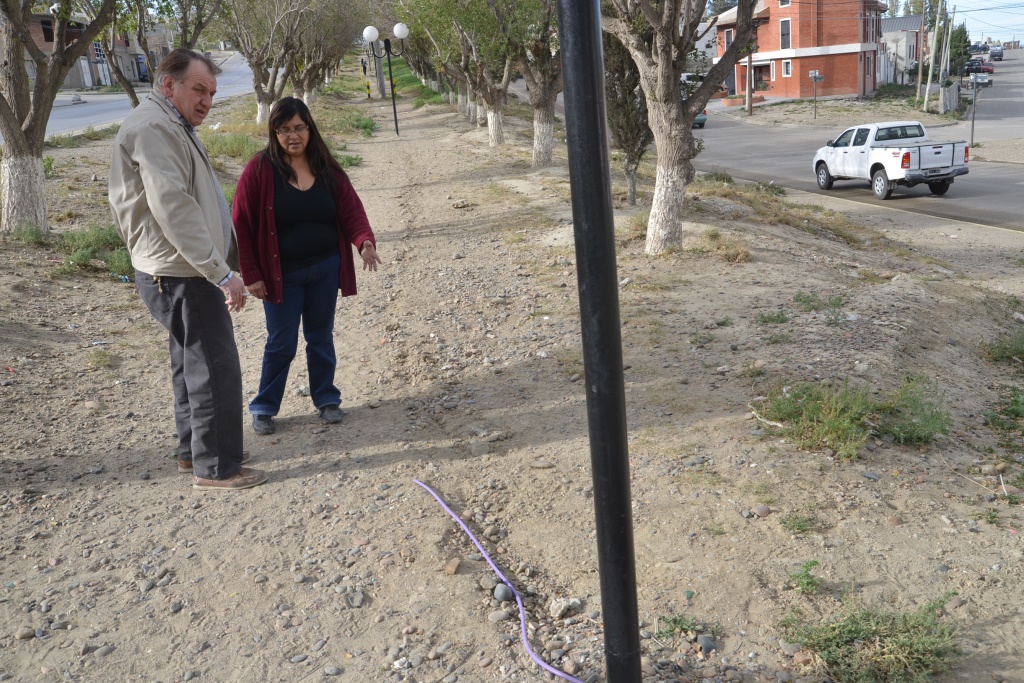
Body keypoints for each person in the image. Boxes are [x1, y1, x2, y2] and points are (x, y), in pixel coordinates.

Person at [109, 48, 267, 491]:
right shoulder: (155, 126)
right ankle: (215, 466)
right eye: (199, 89)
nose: (207, 101)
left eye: (212, 93)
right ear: (168, 85)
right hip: (181, 271)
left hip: (177, 267)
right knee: (213, 365)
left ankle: (193, 450)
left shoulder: (167, 121)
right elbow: (173, 207)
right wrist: (221, 273)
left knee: (189, 361)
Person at [232, 97, 380, 435]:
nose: (292, 136)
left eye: (298, 128)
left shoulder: (326, 167)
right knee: (281, 342)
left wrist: (364, 241)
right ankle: (265, 407)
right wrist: (251, 274)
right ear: (274, 133)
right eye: (283, 130)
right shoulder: (259, 170)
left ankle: (327, 400)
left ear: (310, 128)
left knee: (320, 337)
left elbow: (351, 211)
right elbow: (241, 223)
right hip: (281, 277)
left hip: (325, 269)